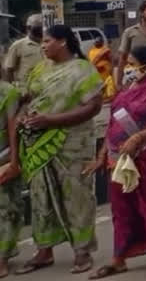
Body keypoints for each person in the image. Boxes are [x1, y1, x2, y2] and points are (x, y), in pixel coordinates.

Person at [85, 46, 146, 281]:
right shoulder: (125, 91)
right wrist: (102, 155)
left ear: (145, 67)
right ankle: (118, 259)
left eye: (130, 63)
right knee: (122, 209)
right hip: (119, 158)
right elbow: (112, 124)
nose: (125, 68)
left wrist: (139, 138)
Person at [15, 25, 103, 275]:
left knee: (76, 196)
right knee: (40, 197)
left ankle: (82, 251)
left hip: (72, 144)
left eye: (47, 41)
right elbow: (28, 100)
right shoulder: (40, 69)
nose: (42, 46)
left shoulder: (83, 70)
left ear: (63, 42)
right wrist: (23, 117)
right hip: (38, 144)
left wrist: (51, 121)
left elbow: (93, 107)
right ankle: (44, 251)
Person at [0, 81, 22, 278]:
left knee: (7, 210)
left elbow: (13, 128)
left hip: (4, 158)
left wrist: (14, 161)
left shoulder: (8, 92)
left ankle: (2, 259)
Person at [3, 14, 43, 85]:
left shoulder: (48, 43)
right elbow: (9, 69)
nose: (41, 30)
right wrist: (14, 87)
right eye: (38, 27)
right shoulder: (18, 45)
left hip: (46, 85)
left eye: (42, 27)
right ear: (28, 28)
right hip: (25, 87)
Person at [88, 36, 116, 102]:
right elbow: (91, 60)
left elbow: (111, 59)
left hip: (105, 70)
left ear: (102, 42)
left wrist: (112, 67)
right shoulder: (91, 50)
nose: (96, 43)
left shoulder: (105, 50)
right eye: (95, 42)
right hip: (96, 70)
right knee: (99, 84)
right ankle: (102, 97)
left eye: (98, 42)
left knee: (106, 83)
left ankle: (109, 97)